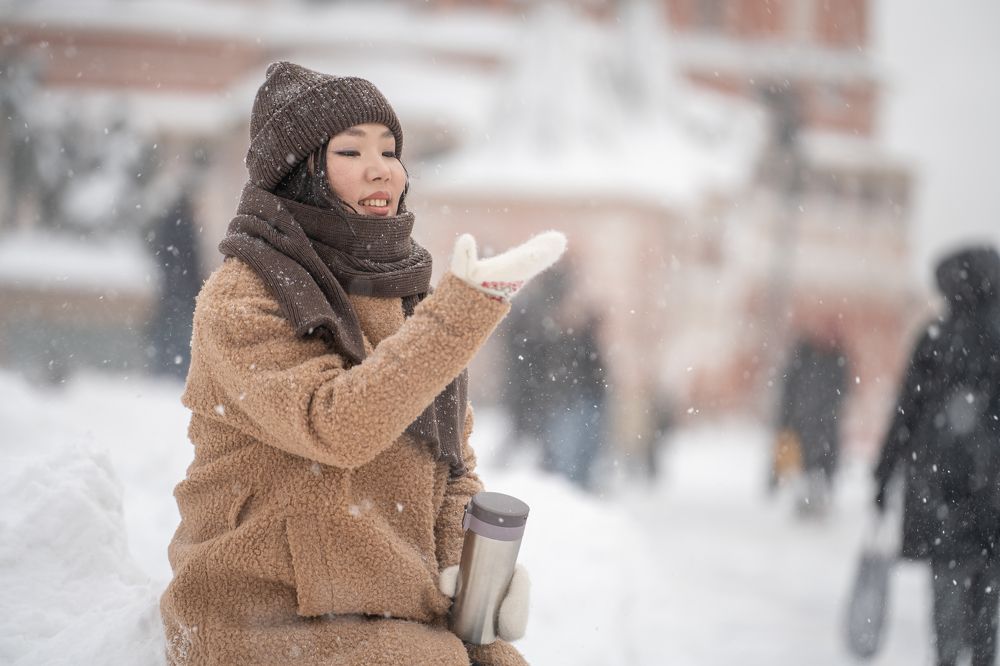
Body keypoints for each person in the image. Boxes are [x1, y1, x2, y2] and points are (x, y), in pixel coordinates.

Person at [159, 61, 565, 666]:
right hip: (267, 613)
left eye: (391, 149)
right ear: (299, 177)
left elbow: (451, 461)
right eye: (349, 151)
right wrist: (462, 313)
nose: (382, 168)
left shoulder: (405, 297)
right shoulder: (243, 296)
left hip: (395, 605)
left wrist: (466, 564)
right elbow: (337, 425)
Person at [873, 245, 1000, 666]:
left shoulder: (935, 337)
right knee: (986, 600)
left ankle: (948, 658)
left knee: (946, 589)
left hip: (940, 488)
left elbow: (905, 413)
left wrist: (883, 472)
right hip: (992, 497)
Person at [773, 336, 847, 515]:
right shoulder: (812, 364)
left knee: (816, 464)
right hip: (810, 425)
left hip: (814, 425)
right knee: (811, 464)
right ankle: (809, 501)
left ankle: (813, 500)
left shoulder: (830, 363)